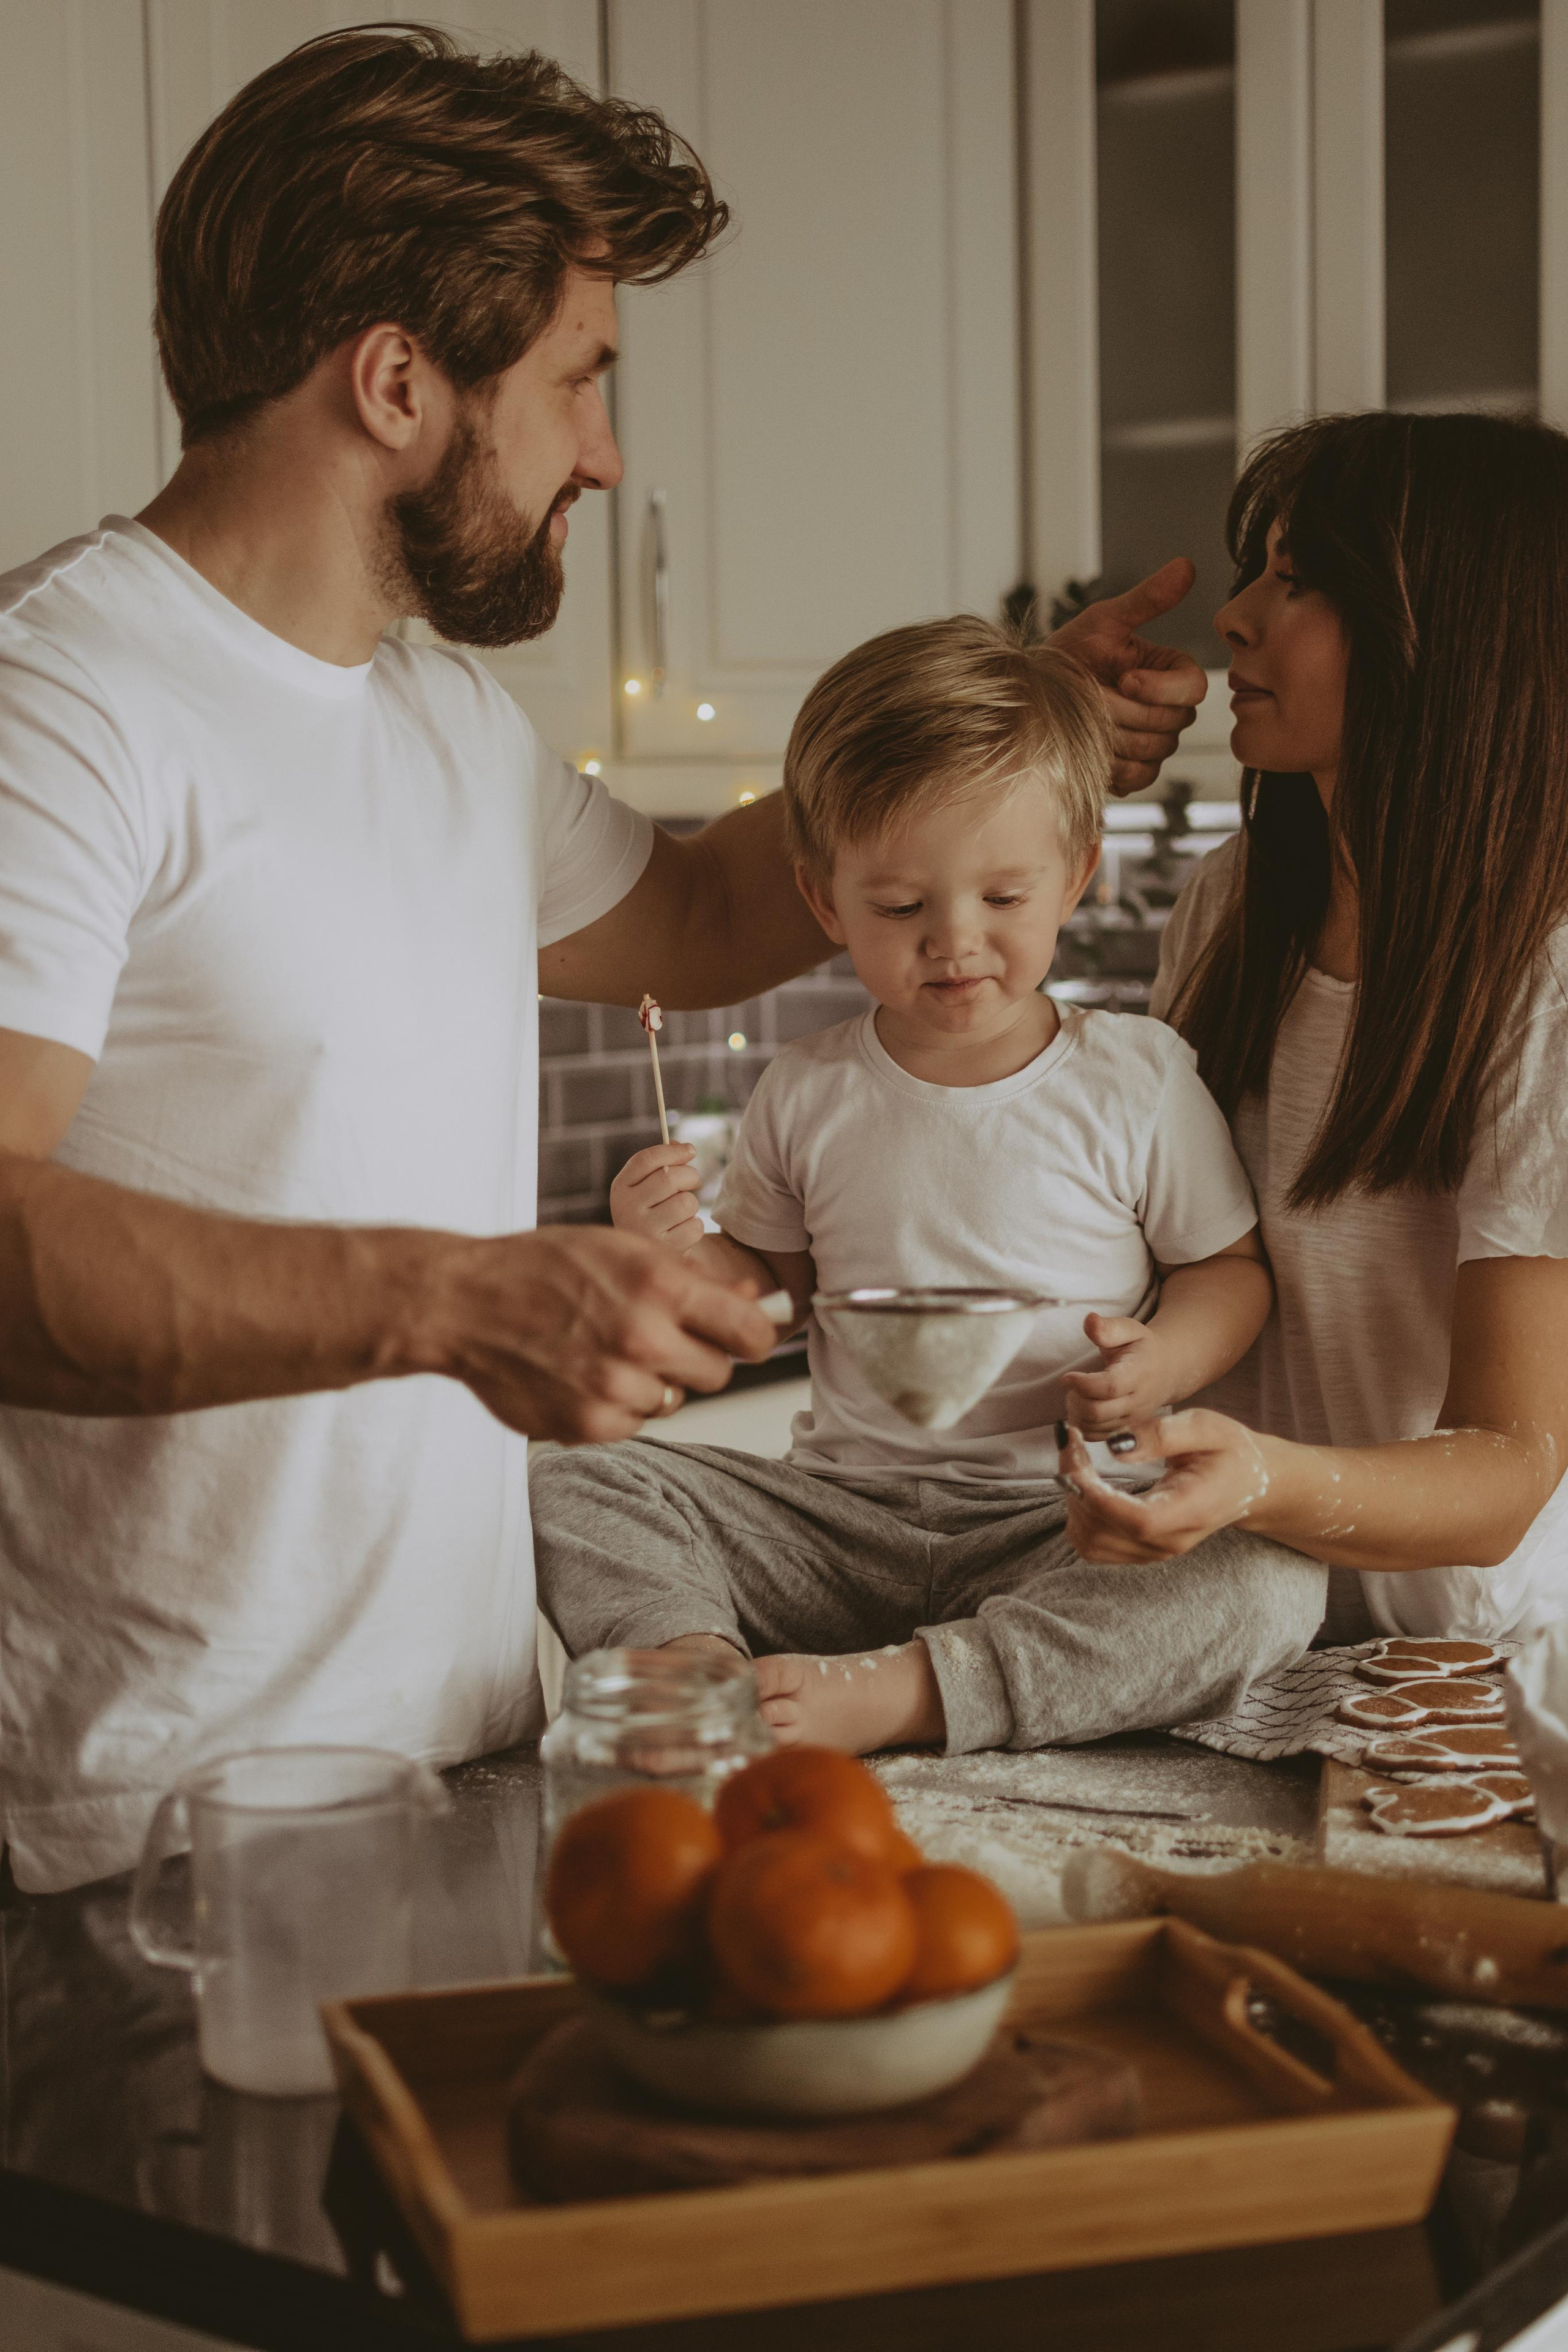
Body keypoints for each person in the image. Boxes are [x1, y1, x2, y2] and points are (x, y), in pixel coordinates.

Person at [0, 26, 1204, 1891]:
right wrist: (457, 1299)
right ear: (400, 382)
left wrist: (1016, 713)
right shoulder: (61, 699)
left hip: (468, 1756)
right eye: (579, 379)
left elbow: (728, 911)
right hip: (152, 1820)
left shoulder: (439, 725)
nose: (609, 454)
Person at [530, 619, 1328, 1755]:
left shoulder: (1136, 1077)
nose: (956, 943)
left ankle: (914, 1691)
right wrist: (674, 1253)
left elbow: (1227, 1271)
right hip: (835, 1522)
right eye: (903, 909)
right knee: (574, 1484)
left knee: (1269, 1577)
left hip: (1056, 1521)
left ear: (1077, 877)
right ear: (826, 904)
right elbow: (768, 1298)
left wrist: (1169, 1359)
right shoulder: (805, 1089)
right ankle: (697, 1663)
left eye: (1003, 899)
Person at [1061, 411, 1568, 1648]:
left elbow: (1508, 1466)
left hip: (1459, 1673)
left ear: (1443, 641)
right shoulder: (1233, 902)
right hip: (1229, 1631)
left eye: (1298, 582)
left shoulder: (1542, 973)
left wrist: (1261, 1482)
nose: (1232, 617)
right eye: (1254, 572)